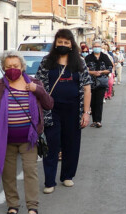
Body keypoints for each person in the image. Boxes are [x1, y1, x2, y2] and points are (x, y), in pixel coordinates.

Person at [36, 29, 93, 195]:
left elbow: (87, 88)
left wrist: (86, 112)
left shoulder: (79, 62)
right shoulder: (47, 62)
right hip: (51, 110)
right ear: (55, 43)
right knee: (51, 145)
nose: (62, 45)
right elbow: (39, 86)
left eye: (66, 43)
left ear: (71, 44)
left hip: (73, 110)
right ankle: (49, 181)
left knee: (72, 144)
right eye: (60, 42)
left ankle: (68, 176)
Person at [0, 51, 53, 214]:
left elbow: (49, 104)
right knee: (8, 175)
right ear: (3, 68)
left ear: (22, 67)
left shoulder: (34, 83)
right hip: (5, 140)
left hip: (29, 139)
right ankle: (12, 206)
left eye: (15, 66)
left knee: (31, 173)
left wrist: (38, 90)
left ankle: (32, 208)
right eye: (8, 67)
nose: (12, 69)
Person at [85, 41, 112, 128]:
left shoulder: (105, 57)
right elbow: (84, 70)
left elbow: (110, 68)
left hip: (101, 82)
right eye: (95, 46)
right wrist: (92, 72)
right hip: (91, 82)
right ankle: (94, 120)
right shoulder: (88, 57)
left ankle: (98, 121)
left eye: (98, 46)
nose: (97, 48)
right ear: (92, 47)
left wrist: (101, 72)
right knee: (92, 102)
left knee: (99, 102)